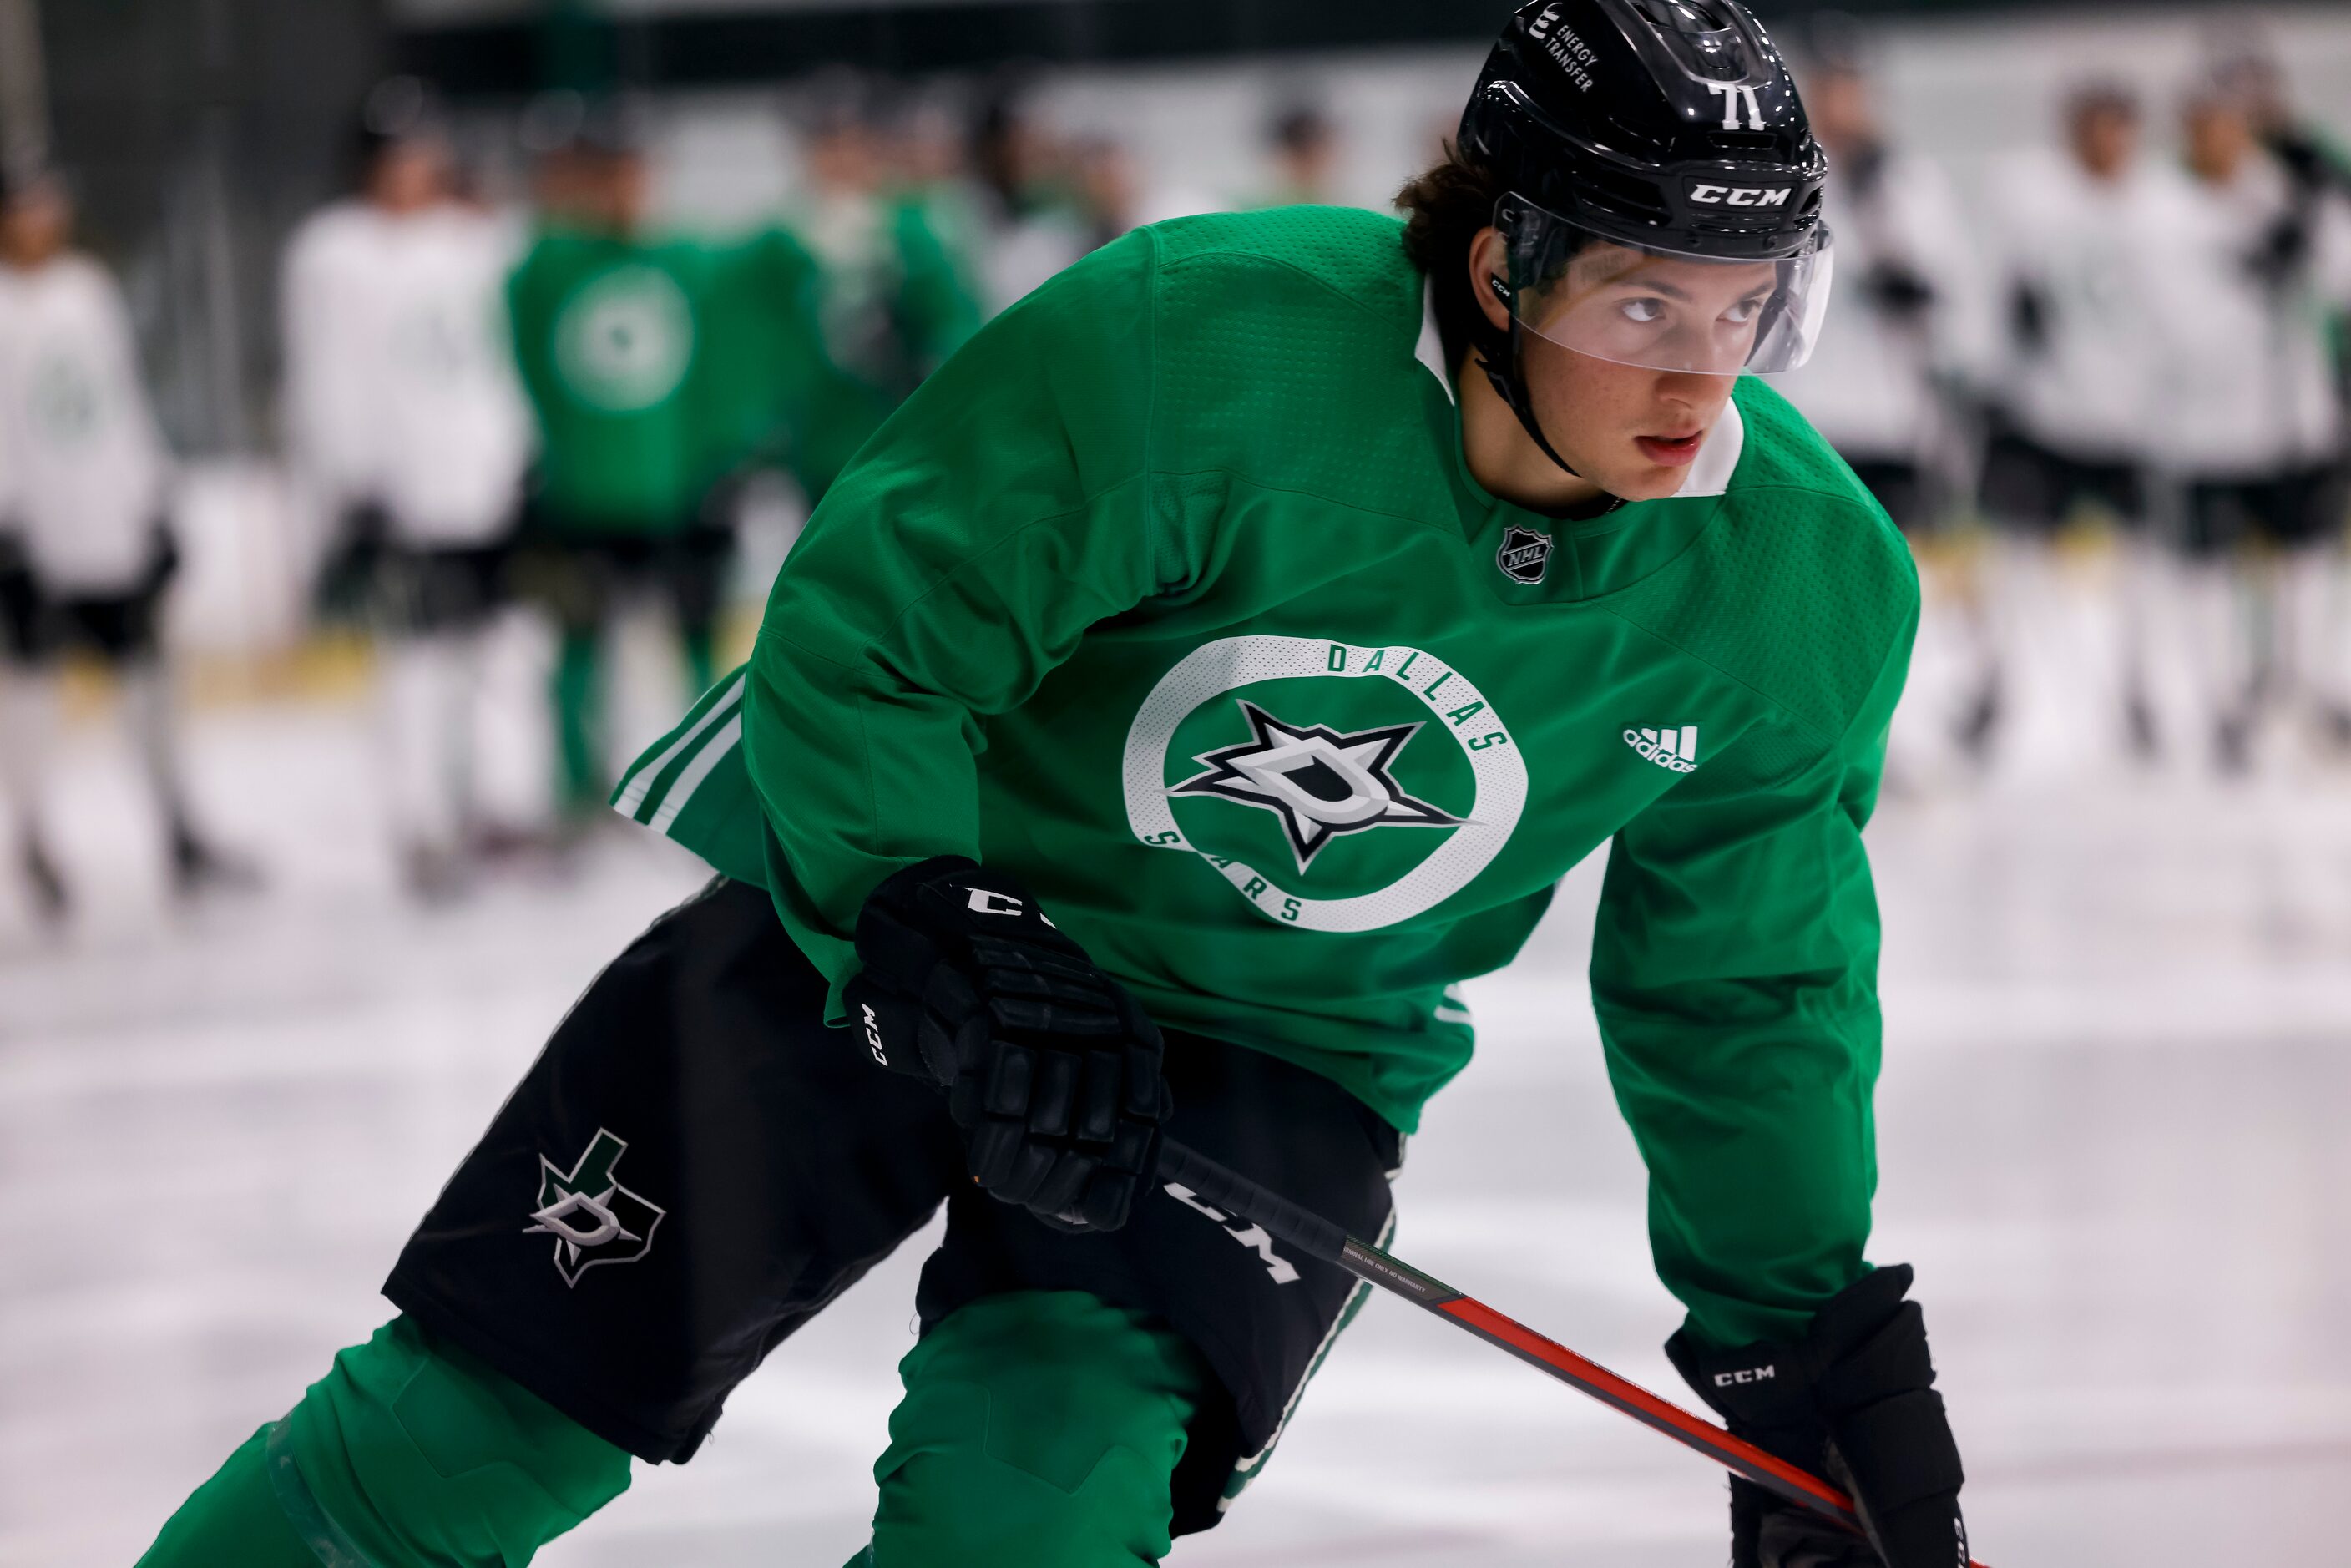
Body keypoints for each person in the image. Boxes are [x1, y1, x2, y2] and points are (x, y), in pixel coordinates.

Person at [137, 4, 1968, 1566]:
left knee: (1037, 1499)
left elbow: (1746, 986)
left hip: (1266, 1057)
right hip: (888, 924)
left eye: (1751, 314)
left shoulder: (1795, 573)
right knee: (479, 1426)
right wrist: (921, 903)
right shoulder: (1196, 345)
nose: (1701, 384)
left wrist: (1789, 1334)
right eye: (1649, 309)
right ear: (1501, 267)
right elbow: (876, 626)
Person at [281, 82, 540, 898]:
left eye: (422, 152)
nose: (412, 170)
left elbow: (504, 359)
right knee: (417, 663)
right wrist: (349, 482)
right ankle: (420, 823)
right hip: (398, 492)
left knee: (503, 653)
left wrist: (523, 456)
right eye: (395, 156)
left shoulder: (478, 241)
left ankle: (501, 807)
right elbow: (325, 375)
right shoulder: (333, 252)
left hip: (487, 484)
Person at [0, 169, 247, 918]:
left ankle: (176, 825)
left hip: (110, 524)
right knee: (32, 698)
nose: (42, 220)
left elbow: (121, 402)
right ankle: (34, 839)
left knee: (148, 684)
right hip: (32, 535)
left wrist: (152, 497)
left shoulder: (89, 290)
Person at [503, 103, 736, 822]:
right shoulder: (546, 267)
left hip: (679, 487)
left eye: (633, 172)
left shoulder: (691, 261)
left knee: (698, 645)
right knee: (577, 645)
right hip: (584, 495)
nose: (624, 189)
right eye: (607, 174)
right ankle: (575, 790)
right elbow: (523, 365)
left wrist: (720, 461)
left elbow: (720, 375)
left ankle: (719, 788)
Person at [1777, 42, 1991, 779]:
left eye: (1850, 89)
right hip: (1811, 415)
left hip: (1896, 415)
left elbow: (1954, 289)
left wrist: (1919, 289)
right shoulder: (1785, 175)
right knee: (1818, 577)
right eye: (1828, 87)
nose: (1840, 103)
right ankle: (1826, 727)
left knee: (1901, 571)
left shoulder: (1905, 181)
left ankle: (1908, 725)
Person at [1979, 81, 2179, 762]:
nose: (2105, 143)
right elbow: (1993, 288)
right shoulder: (2033, 201)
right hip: (2046, 417)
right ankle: (2000, 690)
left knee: (2143, 570)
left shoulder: (2162, 209)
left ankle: (2138, 691)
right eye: (2093, 128)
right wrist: (2001, 351)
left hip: (2133, 424)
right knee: (2015, 560)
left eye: (2117, 129)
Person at [2161, 75, 2351, 768]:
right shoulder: (2163, 208)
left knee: (2307, 562)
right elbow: (2178, 322)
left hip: (2295, 419)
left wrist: (2323, 210)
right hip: (2209, 430)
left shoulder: (2282, 192)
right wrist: (2252, 276)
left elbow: (2340, 284)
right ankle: (2223, 705)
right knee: (2209, 570)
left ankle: (2306, 688)